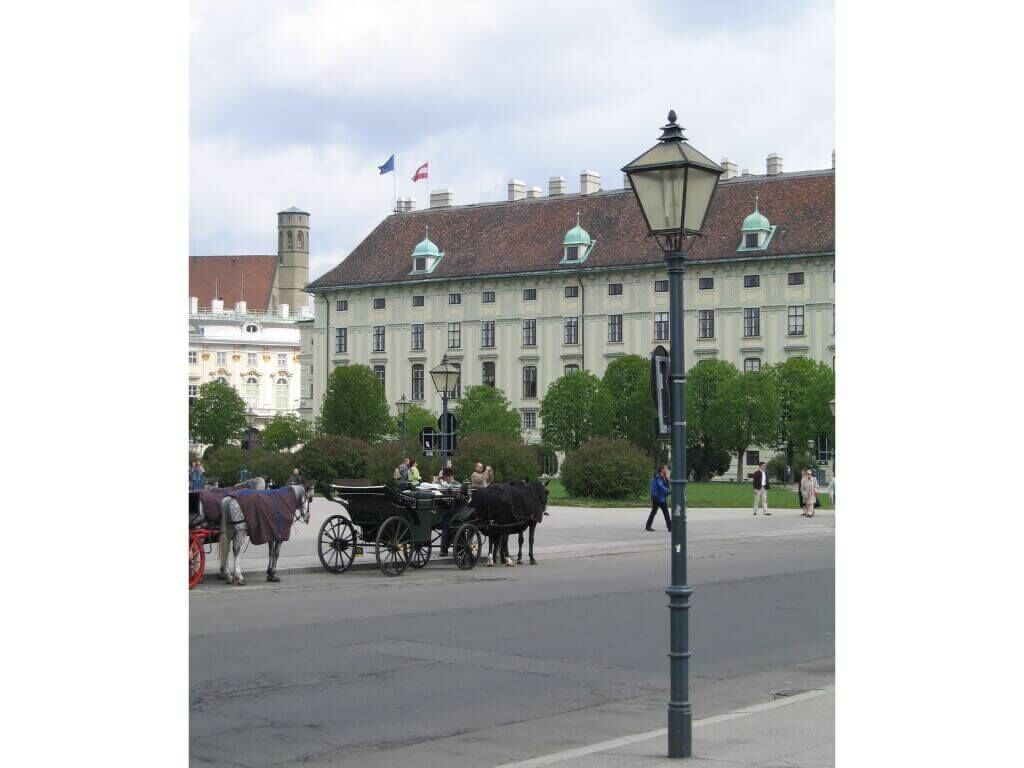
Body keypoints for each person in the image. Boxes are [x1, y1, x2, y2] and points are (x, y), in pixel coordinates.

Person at [646, 465, 671, 532]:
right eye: (665, 468)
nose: (666, 470)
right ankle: (670, 528)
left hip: (661, 497)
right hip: (658, 498)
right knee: (665, 512)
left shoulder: (664, 477)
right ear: (661, 469)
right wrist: (670, 491)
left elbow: (666, 485)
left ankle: (648, 526)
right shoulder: (658, 477)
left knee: (654, 512)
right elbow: (661, 486)